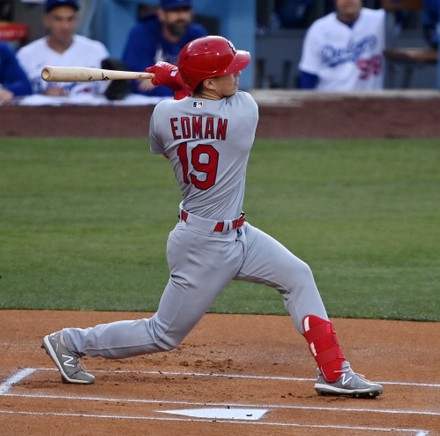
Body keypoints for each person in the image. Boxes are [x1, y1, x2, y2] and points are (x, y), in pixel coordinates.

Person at [42, 35, 383, 399]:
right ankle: (69, 342)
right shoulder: (244, 112)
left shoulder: (161, 115)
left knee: (298, 275)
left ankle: (335, 372)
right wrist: (176, 77)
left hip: (238, 234)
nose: (237, 75)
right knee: (163, 334)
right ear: (209, 81)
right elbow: (203, 110)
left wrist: (178, 82)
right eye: (229, 71)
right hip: (203, 248)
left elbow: (174, 140)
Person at [16, 0, 109, 97]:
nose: (65, 26)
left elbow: (109, 95)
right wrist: (42, 94)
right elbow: (15, 97)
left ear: (77, 20)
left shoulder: (96, 51)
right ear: (46, 20)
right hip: (42, 111)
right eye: (58, 19)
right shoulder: (26, 55)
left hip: (88, 111)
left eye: (70, 19)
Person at [121, 0, 207, 97]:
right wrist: (188, 87)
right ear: (161, 14)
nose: (182, 16)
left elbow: (207, 81)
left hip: (187, 104)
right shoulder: (142, 33)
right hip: (147, 106)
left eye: (185, 10)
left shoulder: (197, 35)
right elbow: (139, 83)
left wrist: (164, 81)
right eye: (175, 10)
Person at [298, 0, 385, 91]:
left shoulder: (380, 20)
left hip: (370, 100)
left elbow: (397, 5)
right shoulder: (318, 29)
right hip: (329, 100)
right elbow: (308, 75)